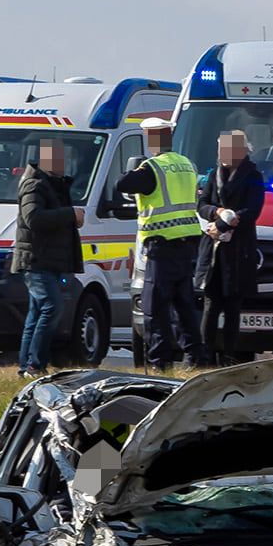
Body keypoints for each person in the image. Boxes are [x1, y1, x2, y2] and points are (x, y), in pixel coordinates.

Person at [114, 117, 203, 370]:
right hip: (187, 245)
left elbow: (122, 184)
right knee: (184, 306)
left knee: (155, 308)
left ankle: (159, 362)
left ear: (152, 140)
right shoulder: (187, 164)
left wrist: (138, 167)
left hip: (162, 247)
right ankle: (196, 358)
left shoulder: (152, 167)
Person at [12, 137, 84, 377]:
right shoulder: (34, 184)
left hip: (47, 260)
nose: (63, 162)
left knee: (36, 313)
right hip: (36, 260)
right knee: (52, 307)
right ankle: (35, 364)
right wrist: (70, 214)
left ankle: (26, 366)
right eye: (58, 157)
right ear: (45, 159)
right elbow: (34, 218)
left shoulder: (52, 184)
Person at [195, 131, 265, 365]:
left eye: (228, 149)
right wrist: (216, 214)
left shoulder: (253, 176)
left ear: (242, 151)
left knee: (233, 306)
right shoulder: (214, 175)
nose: (222, 153)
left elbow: (253, 210)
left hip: (238, 249)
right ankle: (206, 356)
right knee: (210, 304)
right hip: (214, 249)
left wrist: (226, 223)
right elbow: (202, 204)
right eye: (220, 149)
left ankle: (229, 356)